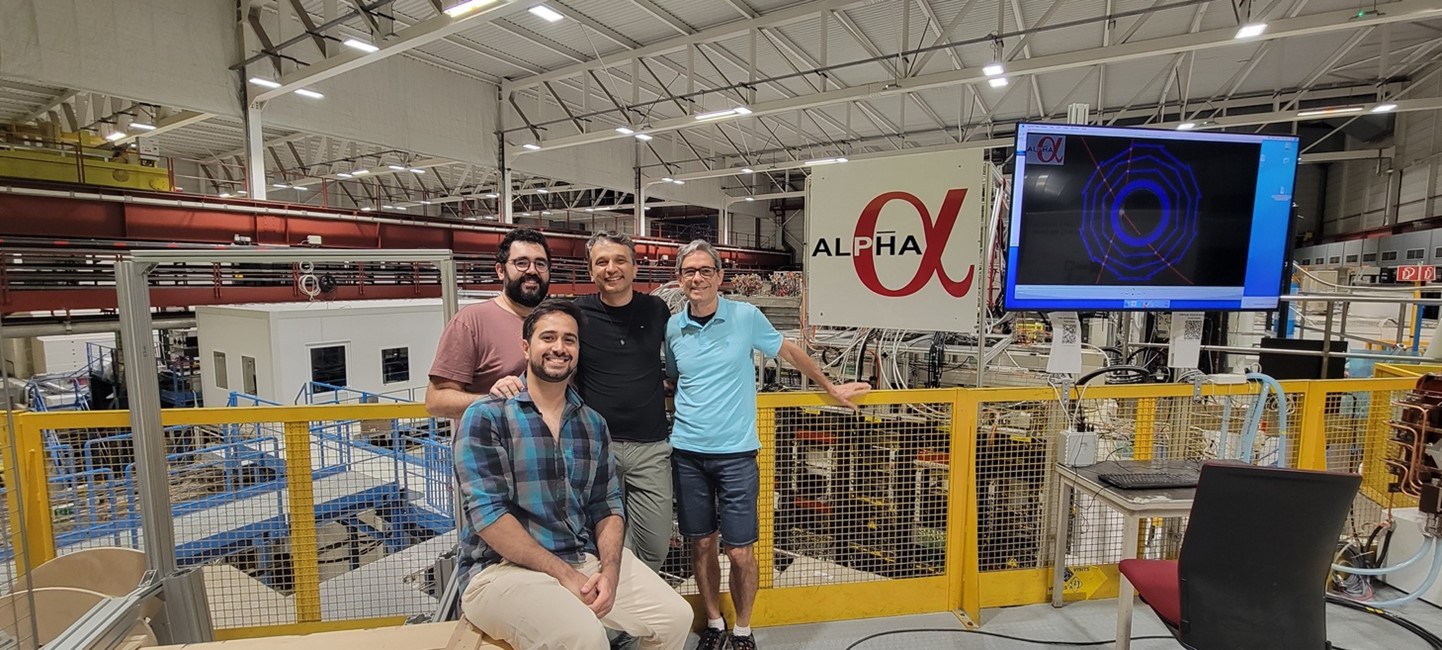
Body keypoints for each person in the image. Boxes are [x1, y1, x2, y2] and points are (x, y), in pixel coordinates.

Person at [664, 240, 871, 650]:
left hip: (737, 454)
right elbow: (673, 377)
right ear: (680, 278)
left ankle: (742, 629)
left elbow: (789, 350)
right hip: (687, 452)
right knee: (701, 543)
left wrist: (830, 387)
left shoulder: (745, 316)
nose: (697, 278)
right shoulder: (673, 327)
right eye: (689, 271)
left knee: (740, 551)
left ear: (720, 277)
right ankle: (714, 623)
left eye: (705, 271)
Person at [455, 299, 693, 650]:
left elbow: (607, 505)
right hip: (500, 571)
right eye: (547, 337)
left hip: (581, 557)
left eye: (570, 340)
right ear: (526, 346)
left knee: (675, 618)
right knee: (583, 637)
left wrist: (609, 571)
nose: (559, 348)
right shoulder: (488, 416)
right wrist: (566, 575)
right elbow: (489, 516)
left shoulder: (592, 424)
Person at [426, 227, 551, 420]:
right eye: (521, 263)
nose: (532, 271)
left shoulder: (554, 322)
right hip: (491, 446)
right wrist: (493, 400)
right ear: (501, 271)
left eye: (540, 264)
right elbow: (436, 402)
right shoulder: (471, 322)